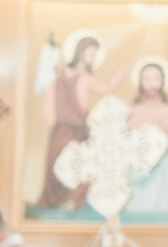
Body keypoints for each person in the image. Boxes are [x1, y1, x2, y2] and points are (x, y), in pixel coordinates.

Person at [39, 35, 137, 211]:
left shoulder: (58, 75)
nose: (93, 59)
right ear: (80, 53)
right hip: (77, 132)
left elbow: (48, 114)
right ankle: (70, 205)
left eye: (95, 55)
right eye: (91, 54)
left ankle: (59, 206)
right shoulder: (83, 77)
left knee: (60, 172)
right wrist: (128, 64)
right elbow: (108, 88)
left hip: (58, 132)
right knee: (79, 171)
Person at [126, 58, 168, 217]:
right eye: (147, 79)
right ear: (140, 82)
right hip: (138, 166)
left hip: (162, 167)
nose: (152, 83)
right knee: (136, 210)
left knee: (160, 211)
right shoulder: (133, 110)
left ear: (162, 81)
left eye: (156, 79)